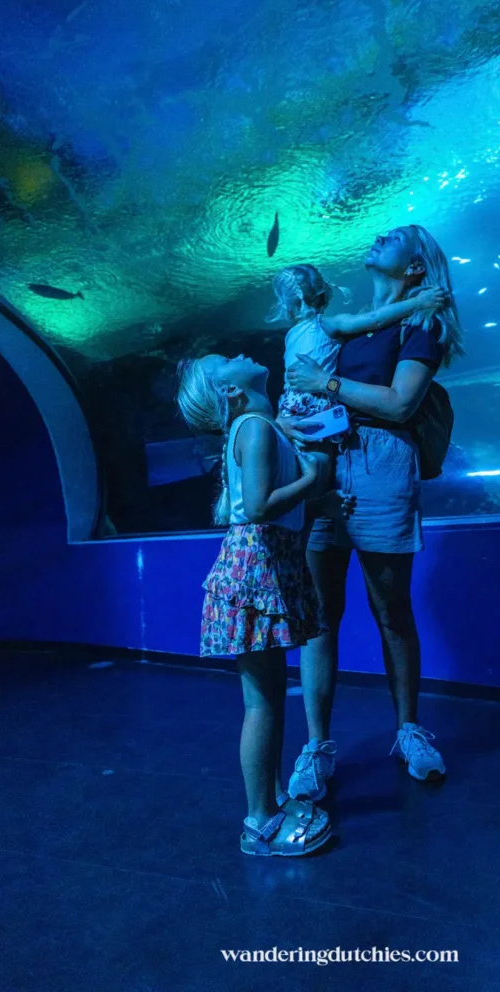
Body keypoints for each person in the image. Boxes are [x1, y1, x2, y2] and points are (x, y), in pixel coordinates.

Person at [283, 225, 464, 802]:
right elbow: (309, 389)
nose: (380, 234)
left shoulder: (420, 323)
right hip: (325, 470)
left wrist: (324, 382)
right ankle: (316, 745)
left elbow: (401, 403)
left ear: (415, 268)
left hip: (382, 468)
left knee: (391, 609)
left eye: (397, 237)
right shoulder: (354, 322)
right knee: (318, 616)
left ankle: (409, 729)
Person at [176, 352, 353, 856]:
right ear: (231, 391)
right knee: (263, 703)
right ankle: (259, 823)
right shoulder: (253, 424)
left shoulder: (262, 424)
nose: (240, 353)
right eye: (226, 360)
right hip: (255, 570)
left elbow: (271, 502)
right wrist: (315, 479)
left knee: (270, 699)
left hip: (267, 565)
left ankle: (273, 797)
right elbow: (257, 507)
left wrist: (316, 498)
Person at [271, 263, 446, 489]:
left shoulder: (292, 335)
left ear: (287, 302)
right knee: (318, 461)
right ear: (322, 293)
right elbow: (376, 319)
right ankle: (320, 496)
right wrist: (417, 303)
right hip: (315, 402)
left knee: (296, 463)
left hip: (290, 405)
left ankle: (313, 498)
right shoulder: (329, 324)